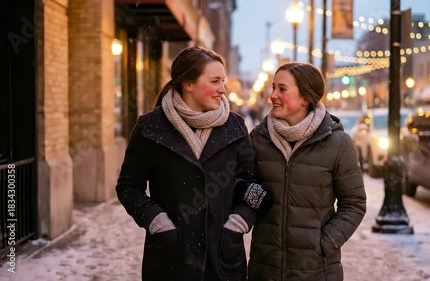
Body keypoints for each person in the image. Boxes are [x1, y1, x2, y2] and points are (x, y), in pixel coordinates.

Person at [115, 46, 271, 281]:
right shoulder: (150, 127)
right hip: (170, 258)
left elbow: (252, 184)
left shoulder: (235, 127)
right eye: (215, 81)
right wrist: (158, 222)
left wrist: (238, 223)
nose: (222, 89)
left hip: (223, 258)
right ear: (188, 83)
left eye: (223, 81)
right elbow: (128, 187)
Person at [248, 62, 366, 281]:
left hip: (317, 271)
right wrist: (255, 200)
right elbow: (244, 186)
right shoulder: (259, 138)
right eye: (273, 87)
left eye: (282, 89)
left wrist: (323, 243)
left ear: (305, 98)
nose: (273, 95)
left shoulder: (338, 143)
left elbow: (354, 203)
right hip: (265, 268)